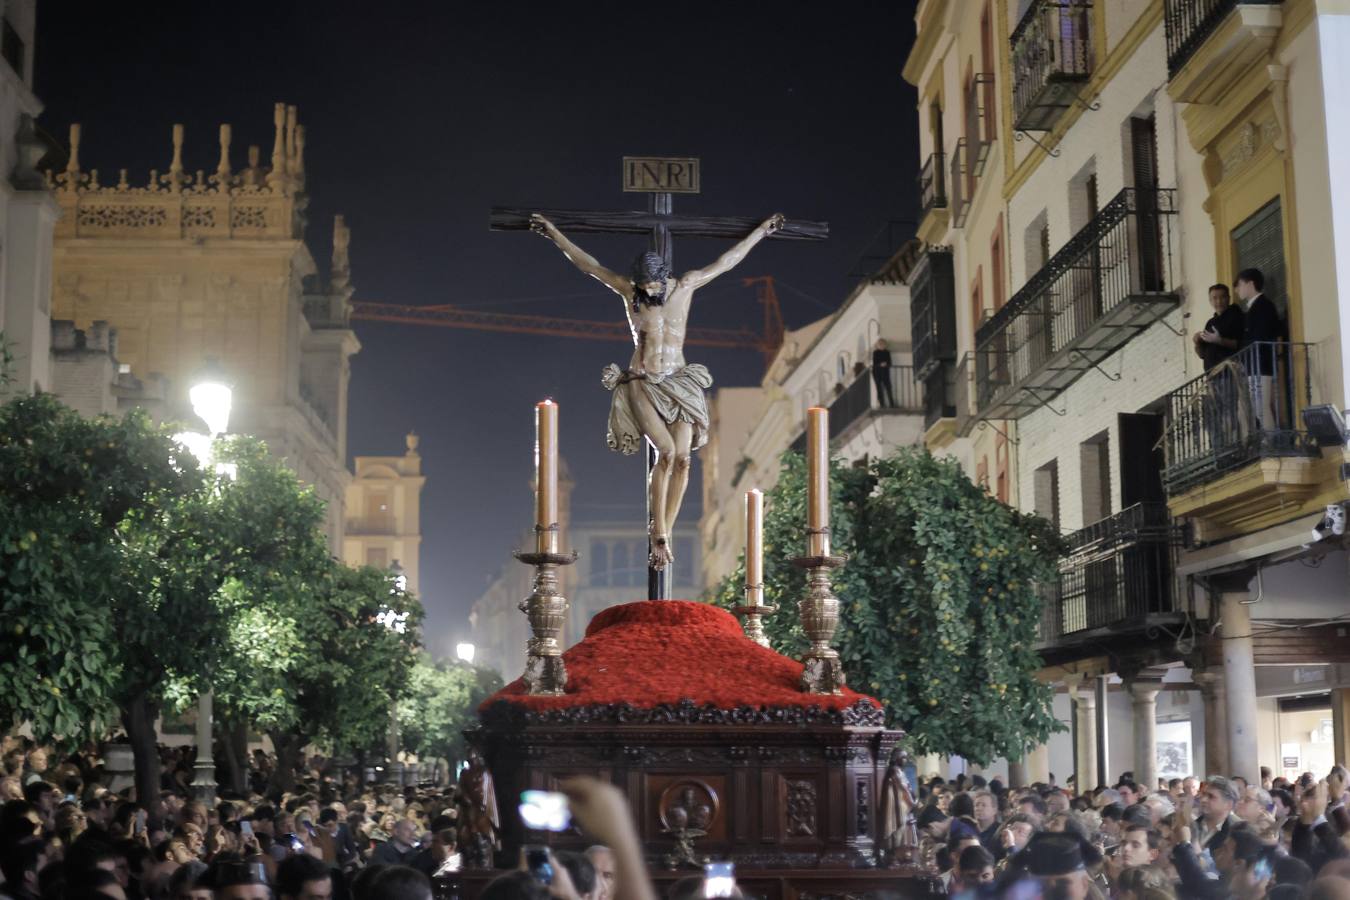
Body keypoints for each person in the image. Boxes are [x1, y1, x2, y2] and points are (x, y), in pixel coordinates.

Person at [530, 211, 785, 568]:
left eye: (652, 287)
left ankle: (665, 525)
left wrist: (760, 231)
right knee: (665, 453)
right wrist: (555, 234)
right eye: (642, 287)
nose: (647, 292)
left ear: (664, 279)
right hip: (643, 381)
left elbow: (728, 261)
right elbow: (589, 266)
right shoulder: (628, 291)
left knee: (683, 460)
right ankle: (659, 532)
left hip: (679, 382)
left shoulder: (686, 286)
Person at [1234, 267, 1284, 431]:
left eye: (1240, 284)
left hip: (1261, 364)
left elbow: (1261, 335)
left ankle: (1270, 440)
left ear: (1250, 284)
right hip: (1254, 365)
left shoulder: (1263, 306)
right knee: (1255, 408)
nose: (1237, 289)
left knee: (1261, 407)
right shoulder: (1255, 307)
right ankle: (1265, 439)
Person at [1194, 283, 1244, 371]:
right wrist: (1197, 342)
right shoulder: (1210, 322)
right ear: (1210, 301)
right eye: (1215, 298)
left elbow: (1242, 344)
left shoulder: (1236, 316)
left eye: (1222, 297)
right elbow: (1202, 355)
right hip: (1213, 375)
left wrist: (1220, 340)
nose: (1219, 301)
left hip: (1230, 372)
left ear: (1229, 298)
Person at [871, 339, 895, 407]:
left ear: (885, 345)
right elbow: (875, 363)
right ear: (877, 345)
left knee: (888, 387)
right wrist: (880, 364)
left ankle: (891, 403)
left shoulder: (887, 352)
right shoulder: (875, 352)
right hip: (877, 373)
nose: (882, 345)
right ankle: (882, 404)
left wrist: (886, 364)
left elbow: (890, 363)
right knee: (879, 389)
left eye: (883, 344)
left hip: (885, 372)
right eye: (880, 344)